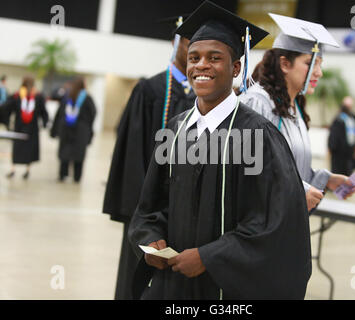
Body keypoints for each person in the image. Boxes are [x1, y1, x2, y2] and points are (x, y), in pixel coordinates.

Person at [128, 0, 311, 300]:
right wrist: (151, 240)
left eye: (215, 58)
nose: (201, 65)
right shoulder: (174, 132)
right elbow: (150, 208)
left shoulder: (258, 136)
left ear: (236, 67)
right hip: (173, 287)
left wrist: (209, 257)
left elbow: (272, 223)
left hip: (227, 292)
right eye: (195, 57)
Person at [102, 17, 196, 300]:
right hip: (149, 214)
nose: (195, 52)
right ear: (175, 43)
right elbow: (132, 156)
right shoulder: (150, 90)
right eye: (190, 42)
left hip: (187, 214)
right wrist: (141, 216)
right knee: (138, 280)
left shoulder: (205, 97)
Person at [240, 13, 355, 213]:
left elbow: (292, 169)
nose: (318, 72)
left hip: (285, 222)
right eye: (310, 63)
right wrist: (298, 190)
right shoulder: (257, 102)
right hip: (258, 226)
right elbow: (247, 169)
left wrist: (326, 179)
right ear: (285, 64)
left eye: (320, 63)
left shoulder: (294, 109)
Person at [50, 77, 96, 183]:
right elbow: (93, 113)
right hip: (81, 130)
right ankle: (77, 177)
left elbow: (59, 114)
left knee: (65, 152)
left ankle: (62, 174)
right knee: (78, 154)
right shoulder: (87, 98)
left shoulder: (67, 97)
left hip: (66, 129)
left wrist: (55, 130)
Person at [1, 76, 48, 179]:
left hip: (21, 127)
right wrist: (44, 123)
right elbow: (44, 112)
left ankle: (13, 169)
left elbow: (5, 108)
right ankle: (27, 170)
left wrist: (7, 122)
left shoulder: (19, 95)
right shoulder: (35, 96)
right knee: (26, 149)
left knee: (19, 149)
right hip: (29, 128)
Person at [328, 96, 355, 175]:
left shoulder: (340, 119)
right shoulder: (350, 118)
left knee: (340, 174)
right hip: (346, 151)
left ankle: (352, 186)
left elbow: (333, 137)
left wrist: (331, 148)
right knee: (348, 173)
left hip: (341, 153)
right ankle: (353, 186)